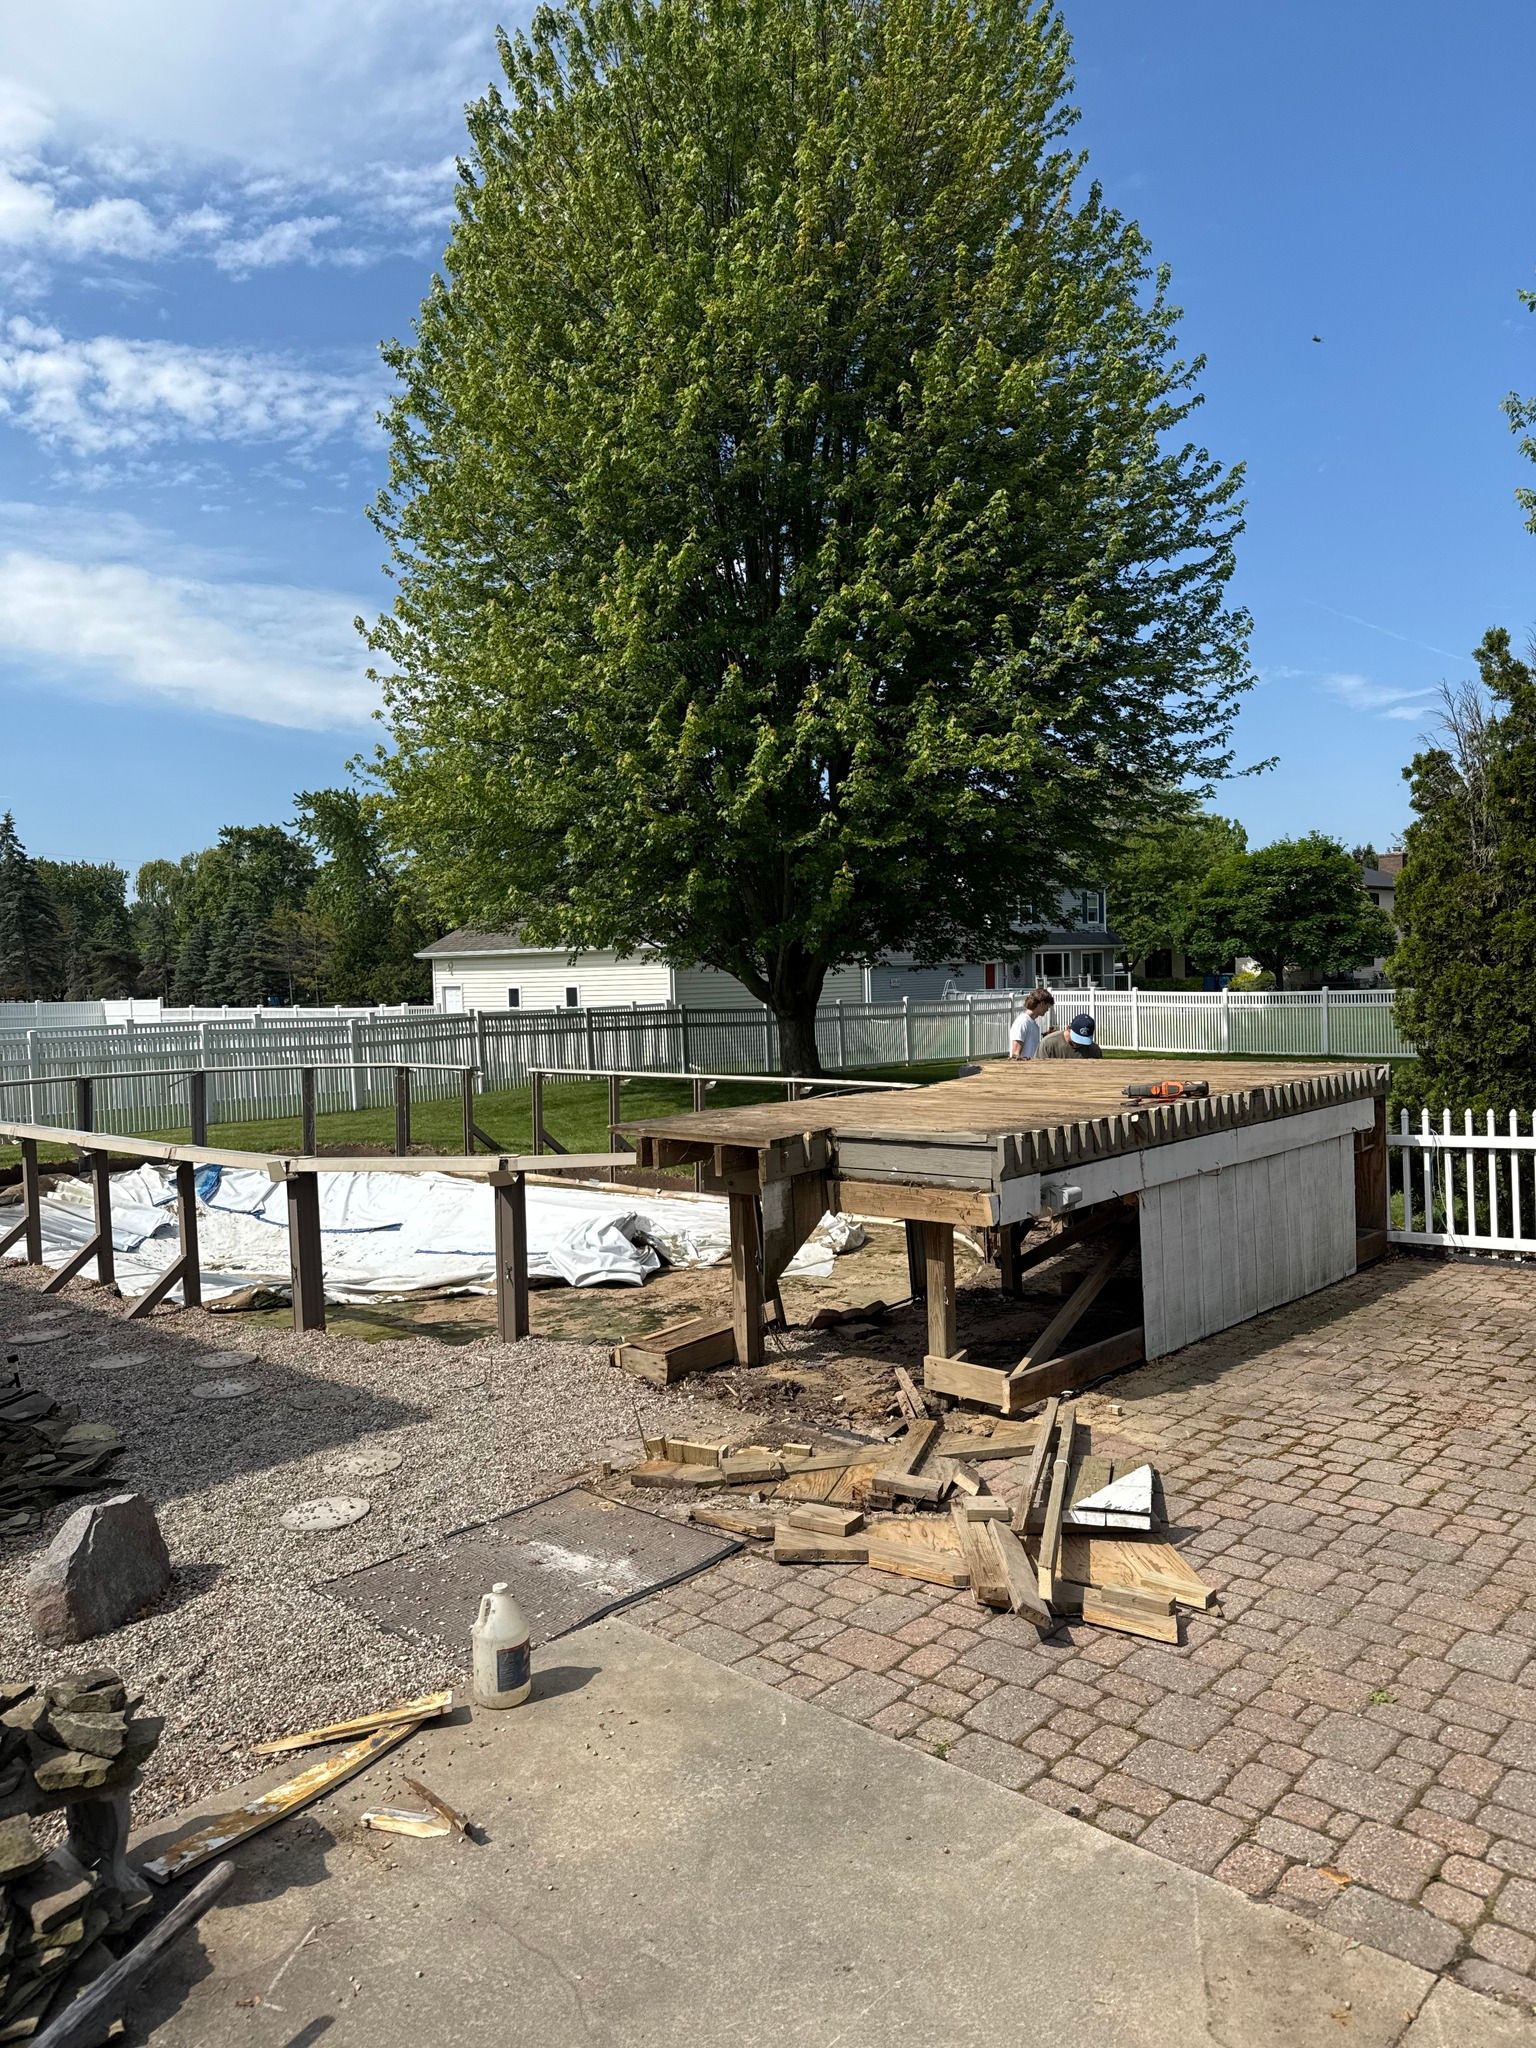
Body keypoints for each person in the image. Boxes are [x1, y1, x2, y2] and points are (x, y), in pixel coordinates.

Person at [1008, 988, 1054, 1060]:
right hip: (1023, 1069)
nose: (1047, 1010)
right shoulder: (1022, 1022)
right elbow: (1015, 1054)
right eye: (1047, 1006)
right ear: (1041, 1004)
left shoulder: (1033, 1023)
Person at [1038, 1011, 1102, 1059]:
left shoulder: (1094, 1050)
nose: (1079, 1044)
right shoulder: (1048, 1044)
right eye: (1077, 1038)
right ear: (1068, 1028)